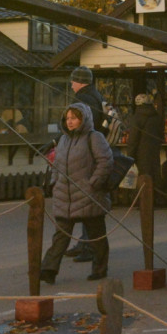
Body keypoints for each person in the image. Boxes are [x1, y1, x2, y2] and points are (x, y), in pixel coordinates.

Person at [39, 103, 113, 283]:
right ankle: (48, 270)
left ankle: (99, 268)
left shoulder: (94, 137)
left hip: (89, 195)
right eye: (68, 118)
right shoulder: (64, 140)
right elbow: (57, 164)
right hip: (65, 195)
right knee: (60, 236)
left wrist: (93, 183)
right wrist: (54, 182)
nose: (70, 122)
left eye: (74, 118)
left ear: (83, 119)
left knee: (96, 236)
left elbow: (105, 161)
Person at [66, 68, 110, 261]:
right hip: (94, 152)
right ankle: (85, 242)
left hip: (86, 156)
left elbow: (81, 128)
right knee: (87, 201)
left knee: (86, 202)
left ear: (79, 82)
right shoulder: (96, 96)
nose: (71, 84)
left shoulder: (83, 100)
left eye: (73, 81)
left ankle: (89, 247)